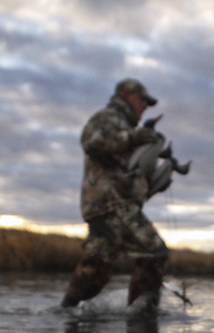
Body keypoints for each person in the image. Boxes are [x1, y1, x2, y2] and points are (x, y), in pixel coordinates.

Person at [62, 78, 180, 309]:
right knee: (154, 251)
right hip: (111, 204)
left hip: (108, 206)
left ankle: (64, 312)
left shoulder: (127, 128)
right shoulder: (108, 117)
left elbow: (127, 173)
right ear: (127, 94)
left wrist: (154, 182)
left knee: (95, 271)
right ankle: (142, 319)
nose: (145, 106)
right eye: (143, 100)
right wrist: (132, 138)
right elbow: (90, 141)